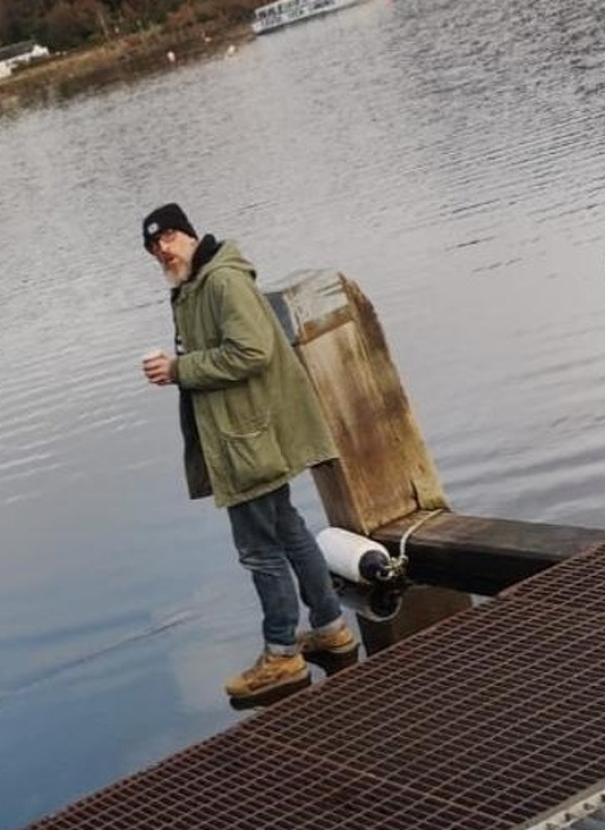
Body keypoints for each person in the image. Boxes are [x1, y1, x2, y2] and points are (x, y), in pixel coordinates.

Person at [140, 203, 357, 704]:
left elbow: (252, 351)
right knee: (289, 530)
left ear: (189, 234)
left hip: (245, 439)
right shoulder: (193, 287)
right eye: (153, 246)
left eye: (168, 237)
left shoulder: (221, 281)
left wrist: (178, 369)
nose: (162, 250)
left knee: (260, 551)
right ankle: (330, 628)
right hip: (244, 433)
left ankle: (281, 655)